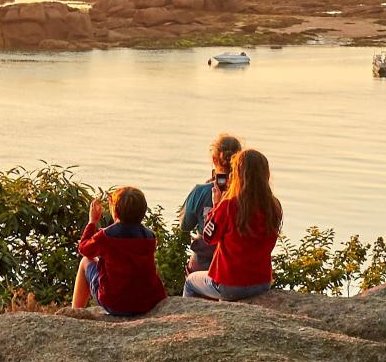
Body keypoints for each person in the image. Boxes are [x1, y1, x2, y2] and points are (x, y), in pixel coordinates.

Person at [182, 149, 282, 302]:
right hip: (262, 283)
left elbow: (209, 238)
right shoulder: (273, 206)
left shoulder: (229, 206)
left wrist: (216, 204)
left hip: (230, 285)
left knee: (190, 281)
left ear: (237, 175)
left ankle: (188, 322)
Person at [72, 186, 166, 316]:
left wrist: (92, 222)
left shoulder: (106, 237)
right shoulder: (149, 236)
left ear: (115, 212)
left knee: (86, 261)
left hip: (114, 303)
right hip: (145, 303)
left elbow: (84, 248)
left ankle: (76, 312)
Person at [179, 133, 242, 273]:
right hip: (236, 263)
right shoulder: (248, 194)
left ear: (214, 159)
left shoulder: (201, 191)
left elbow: (185, 225)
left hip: (203, 261)